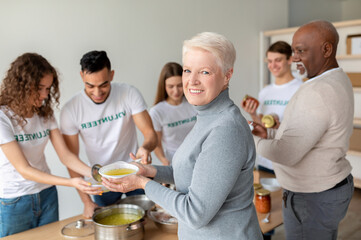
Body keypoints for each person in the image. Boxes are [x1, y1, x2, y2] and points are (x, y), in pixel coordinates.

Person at [102, 32, 263, 239]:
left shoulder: (226, 129)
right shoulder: (208, 117)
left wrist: (142, 184)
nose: (192, 81)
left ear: (227, 75)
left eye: (204, 72)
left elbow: (195, 213)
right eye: (188, 70)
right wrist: (149, 171)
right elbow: (193, 171)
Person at [252, 20, 354, 240]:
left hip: (312, 198)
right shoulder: (338, 78)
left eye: (300, 51)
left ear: (326, 49)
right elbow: (306, 136)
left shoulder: (317, 91)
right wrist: (269, 134)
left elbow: (285, 153)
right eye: (293, 51)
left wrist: (250, 139)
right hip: (328, 190)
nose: (295, 57)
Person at [0, 53, 98, 237]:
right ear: (22, 85)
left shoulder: (45, 113)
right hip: (15, 200)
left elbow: (66, 156)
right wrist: (70, 182)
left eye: (48, 88)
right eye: (40, 88)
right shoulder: (3, 117)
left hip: (47, 195)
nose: (45, 95)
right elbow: (24, 169)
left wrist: (94, 173)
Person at [60, 50, 157, 218]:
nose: (97, 93)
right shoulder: (71, 110)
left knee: (146, 220)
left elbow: (150, 134)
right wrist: (86, 202)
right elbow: (71, 159)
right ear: (82, 76)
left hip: (134, 171)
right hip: (102, 180)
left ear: (112, 75)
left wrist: (146, 148)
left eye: (103, 85)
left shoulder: (128, 93)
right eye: (90, 86)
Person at [242, 41, 303, 173]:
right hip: (265, 160)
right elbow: (262, 126)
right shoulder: (265, 91)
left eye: (278, 60)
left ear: (290, 60)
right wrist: (253, 114)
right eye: (269, 61)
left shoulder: (301, 88)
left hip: (288, 162)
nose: (272, 65)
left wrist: (281, 127)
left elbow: (305, 129)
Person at [149, 62, 197, 166]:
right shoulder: (157, 112)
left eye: (180, 85)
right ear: (164, 86)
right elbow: (157, 144)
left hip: (198, 156)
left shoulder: (194, 102)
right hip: (174, 161)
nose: (176, 91)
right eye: (171, 86)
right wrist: (164, 161)